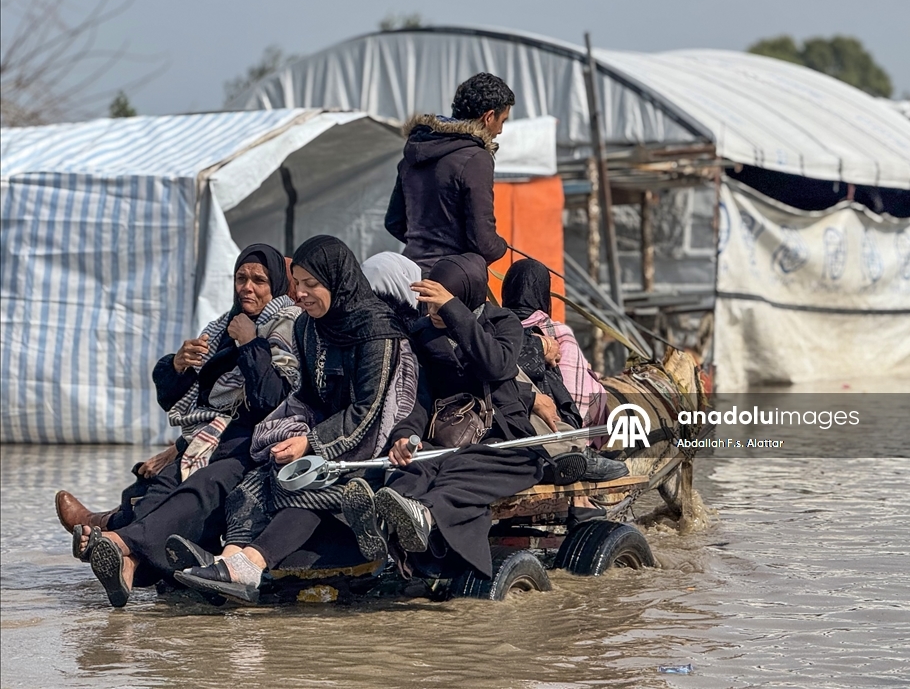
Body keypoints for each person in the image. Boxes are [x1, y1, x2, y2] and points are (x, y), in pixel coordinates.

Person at [172, 236, 411, 603]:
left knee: (305, 487)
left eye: (311, 285)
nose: (300, 294)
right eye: (296, 284)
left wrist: (311, 443)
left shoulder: (377, 331)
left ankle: (249, 563)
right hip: (321, 433)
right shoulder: (309, 328)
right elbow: (309, 395)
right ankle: (232, 561)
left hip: (368, 445)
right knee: (255, 482)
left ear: (336, 280)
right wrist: (289, 432)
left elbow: (370, 411)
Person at [74, 244, 302, 607]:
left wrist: (250, 344)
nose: (248, 287)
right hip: (210, 433)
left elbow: (274, 398)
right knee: (163, 481)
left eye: (259, 280)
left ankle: (118, 541)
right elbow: (187, 397)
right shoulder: (222, 326)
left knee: (203, 485)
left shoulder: (287, 323)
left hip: (257, 439)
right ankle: (128, 563)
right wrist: (178, 365)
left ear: (275, 284)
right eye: (241, 278)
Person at [373, 254, 585, 580]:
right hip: (448, 434)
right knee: (414, 463)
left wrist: (453, 311)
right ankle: (391, 524)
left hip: (508, 441)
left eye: (441, 303)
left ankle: (426, 516)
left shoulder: (503, 324)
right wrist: (406, 435)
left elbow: (496, 365)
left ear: (467, 296)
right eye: (429, 304)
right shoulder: (422, 333)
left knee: (466, 466)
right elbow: (420, 397)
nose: (434, 312)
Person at [501, 258, 627, 523]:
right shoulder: (556, 332)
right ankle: (579, 488)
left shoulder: (493, 327)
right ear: (543, 293)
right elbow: (576, 394)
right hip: (552, 433)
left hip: (503, 428)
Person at [384, 72, 515, 275]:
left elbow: (394, 222)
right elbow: (484, 243)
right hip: (452, 281)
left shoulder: (413, 152)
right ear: (488, 117)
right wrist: (502, 246)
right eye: (502, 121)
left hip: (409, 275)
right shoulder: (475, 158)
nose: (500, 131)